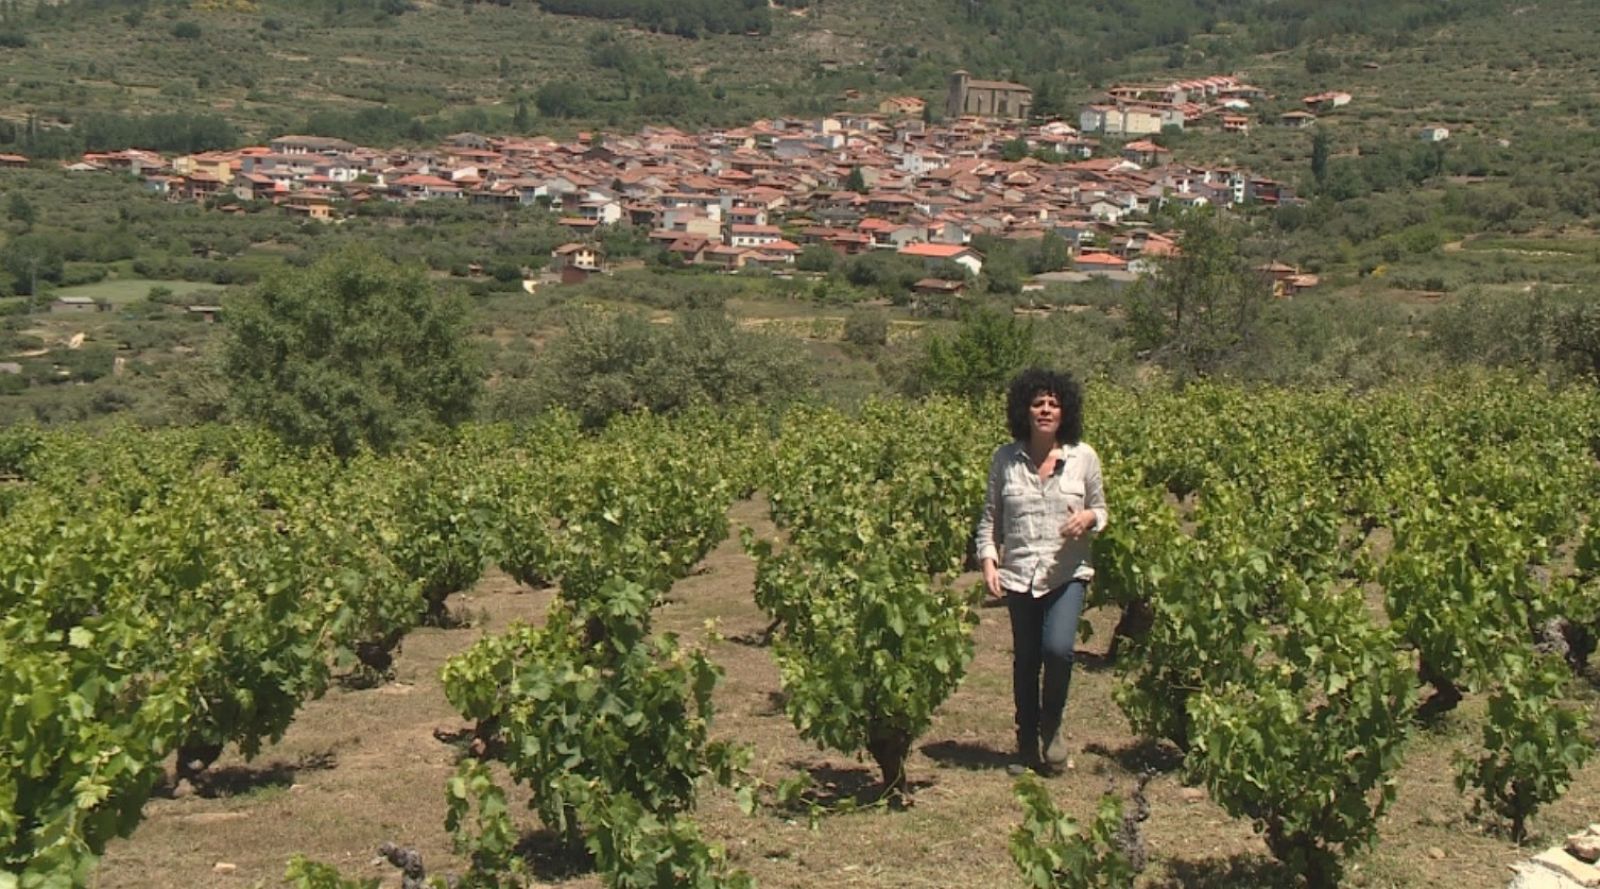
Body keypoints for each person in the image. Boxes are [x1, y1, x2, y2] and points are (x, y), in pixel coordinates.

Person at [974, 368, 1108, 773]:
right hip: (1019, 573)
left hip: (1067, 571)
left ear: (1064, 411)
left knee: (1058, 649)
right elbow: (989, 519)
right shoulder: (1005, 458)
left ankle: (1052, 727)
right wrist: (988, 560)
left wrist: (1087, 518)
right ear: (1024, 411)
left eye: (1053, 403)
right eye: (1037, 403)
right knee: (1027, 658)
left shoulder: (1083, 457)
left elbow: (1102, 509)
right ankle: (1026, 739)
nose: (1045, 410)